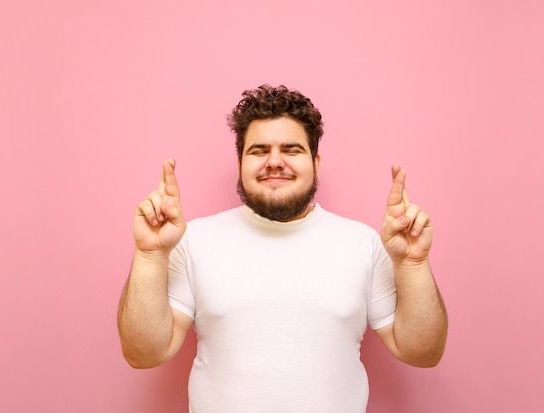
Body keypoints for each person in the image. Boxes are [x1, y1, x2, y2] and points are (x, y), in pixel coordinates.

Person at [117, 84, 447, 413]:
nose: (275, 162)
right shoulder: (194, 240)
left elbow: (422, 352)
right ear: (240, 161)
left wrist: (414, 264)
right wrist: (149, 255)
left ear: (316, 162)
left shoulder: (364, 244)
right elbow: (144, 354)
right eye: (259, 151)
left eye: (291, 149)